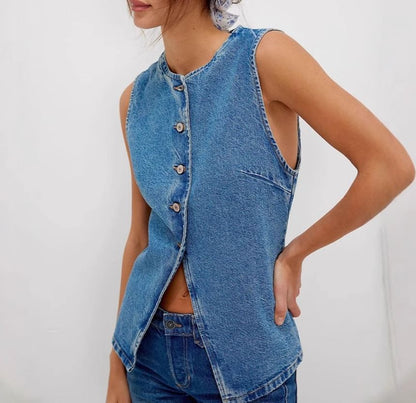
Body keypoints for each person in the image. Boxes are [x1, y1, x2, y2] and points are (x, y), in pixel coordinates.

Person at [105, 1, 415, 402]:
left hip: (250, 366)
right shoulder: (134, 101)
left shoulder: (264, 60)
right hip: (147, 360)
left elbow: (390, 167)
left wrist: (295, 254)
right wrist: (117, 363)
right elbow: (139, 239)